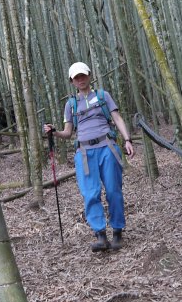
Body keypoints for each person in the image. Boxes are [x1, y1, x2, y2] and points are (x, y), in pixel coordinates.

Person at [43, 61, 135, 252]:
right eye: (76, 77)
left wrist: (127, 139)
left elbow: (117, 118)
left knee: (113, 190)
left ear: (89, 76)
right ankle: (100, 235)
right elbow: (68, 132)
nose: (81, 79)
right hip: (84, 152)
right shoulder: (71, 104)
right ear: (72, 81)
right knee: (90, 193)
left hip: (107, 146)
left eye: (83, 75)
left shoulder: (103, 96)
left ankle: (117, 231)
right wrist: (54, 132)